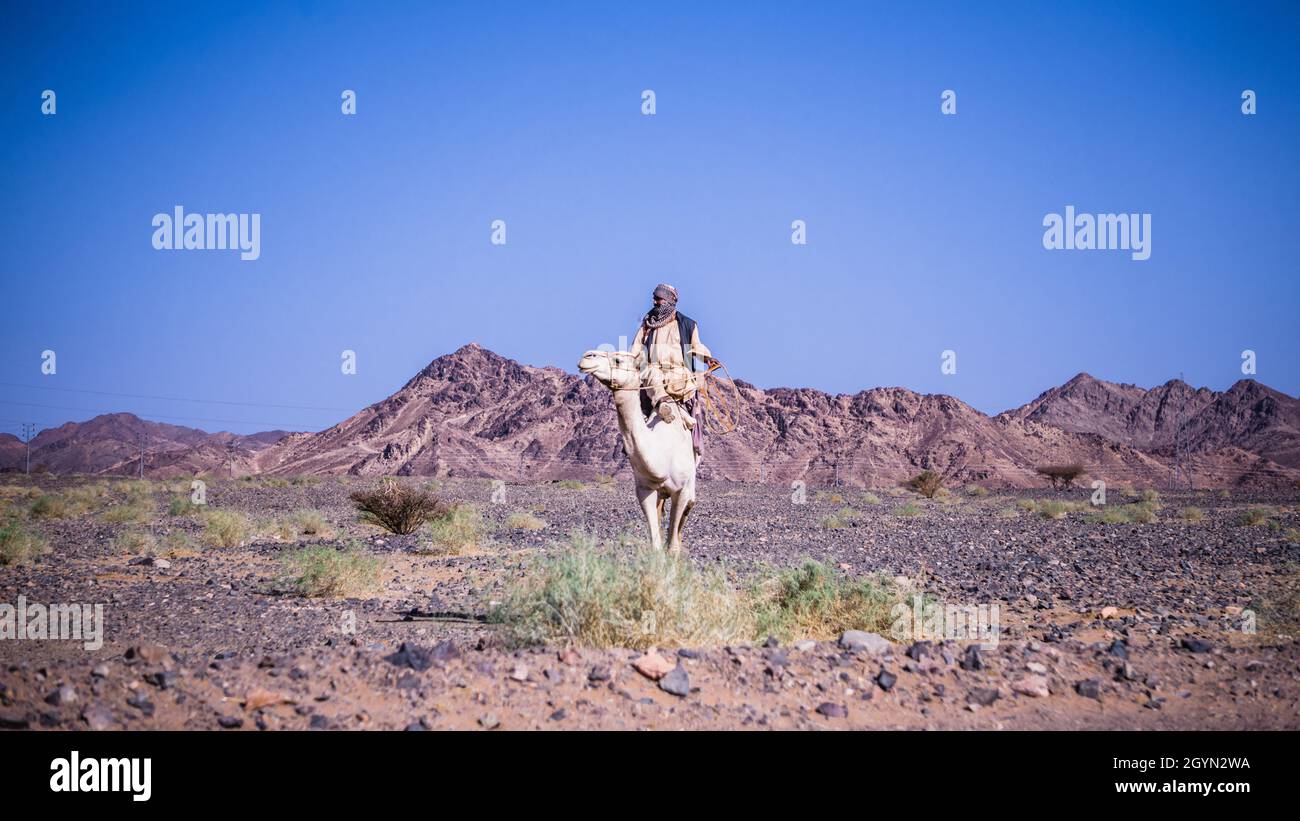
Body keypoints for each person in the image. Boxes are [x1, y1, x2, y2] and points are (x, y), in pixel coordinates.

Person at [628, 283, 714, 455]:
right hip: (654, 374)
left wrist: (708, 358)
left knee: (693, 385)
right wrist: (627, 363)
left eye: (658, 298)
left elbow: (696, 346)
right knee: (650, 374)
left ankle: (685, 422)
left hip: (678, 375)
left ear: (669, 300)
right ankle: (662, 404)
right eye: (654, 298)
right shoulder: (648, 324)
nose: (654, 302)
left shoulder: (688, 324)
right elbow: (635, 349)